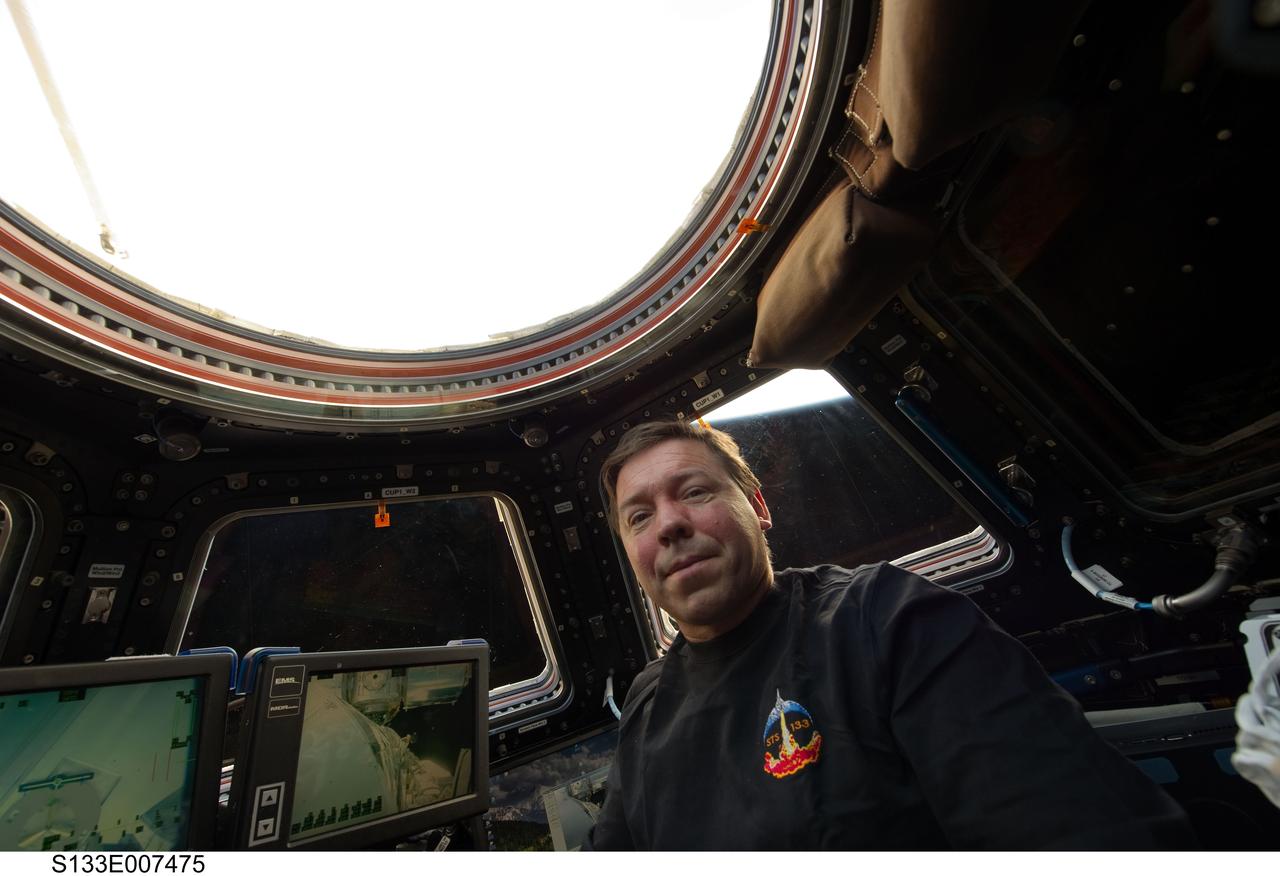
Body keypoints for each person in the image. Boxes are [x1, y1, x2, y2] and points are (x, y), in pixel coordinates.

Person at [584, 419, 1194, 850]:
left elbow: (1085, 837)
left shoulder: (887, 618)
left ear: (757, 505)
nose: (668, 525)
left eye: (694, 492)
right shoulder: (646, 704)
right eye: (639, 516)